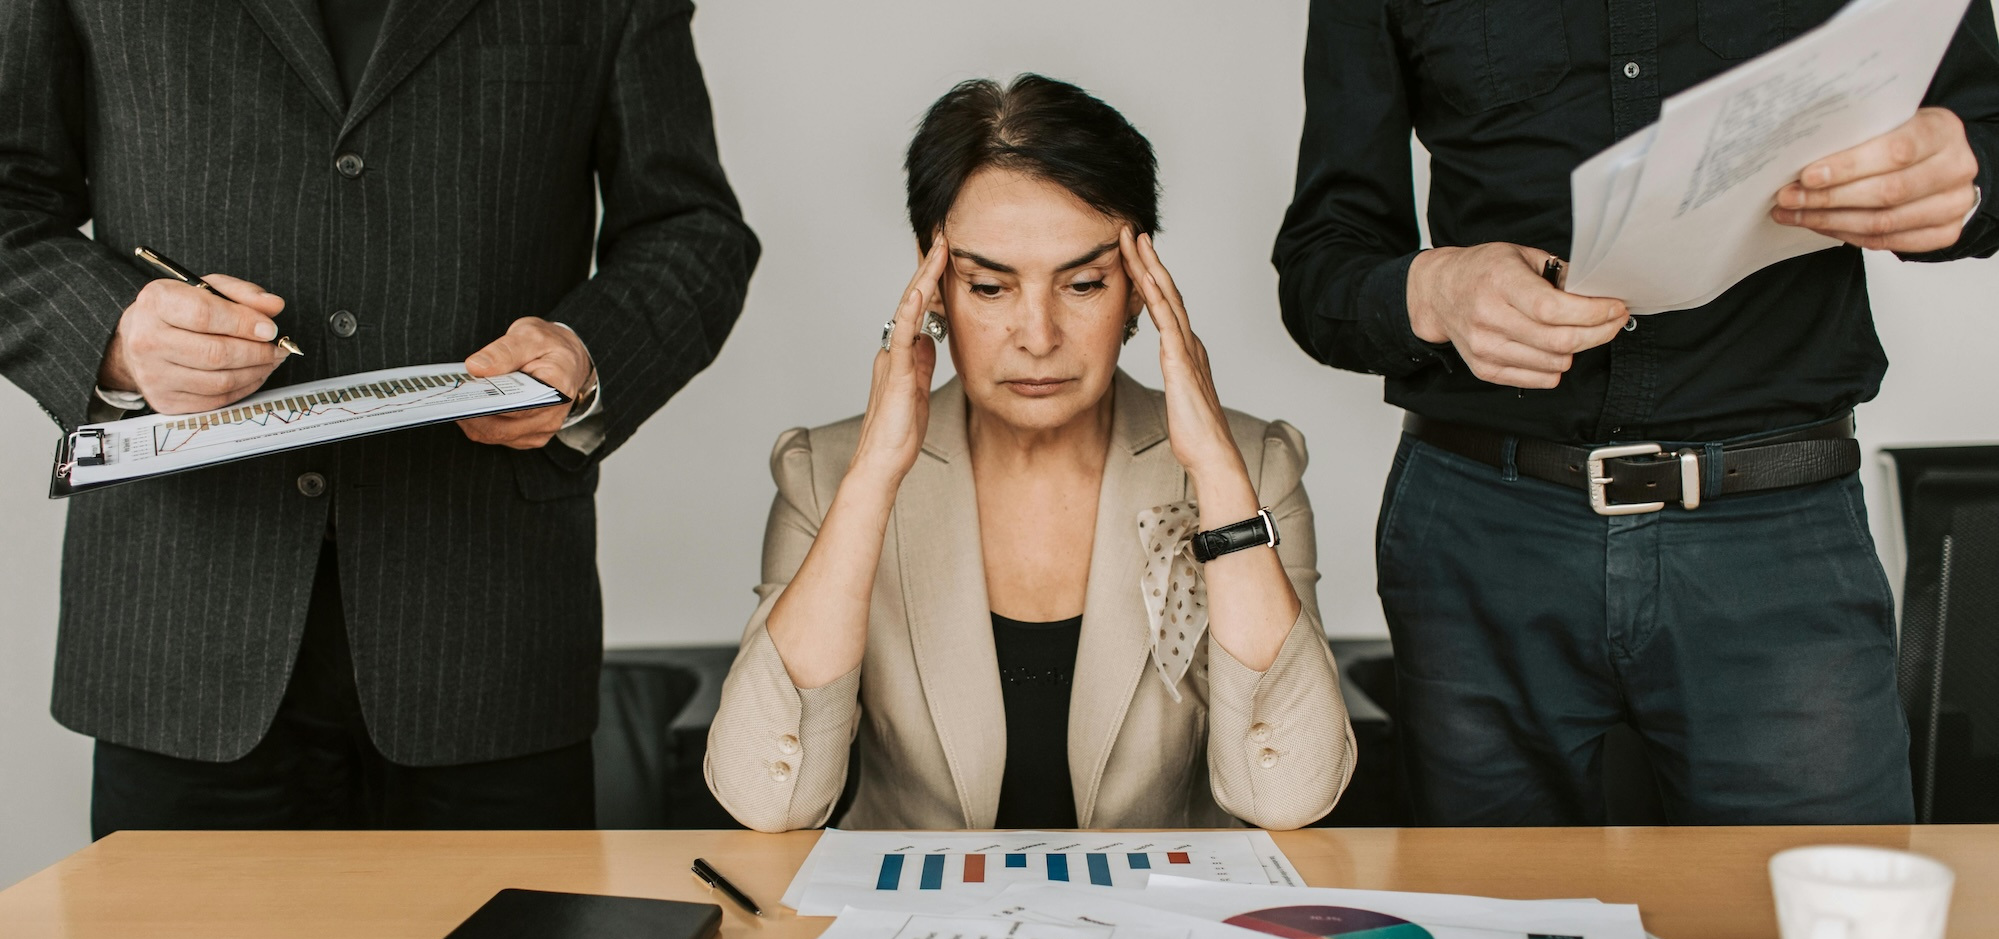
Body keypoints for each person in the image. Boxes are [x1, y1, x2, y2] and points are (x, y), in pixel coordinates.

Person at [0, 0, 758, 835]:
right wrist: (115, 337)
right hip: (180, 627)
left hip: (487, 639)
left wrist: (588, 354)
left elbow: (692, 231)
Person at [1274, 0, 1999, 826]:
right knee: (1493, 934)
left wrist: (1967, 177)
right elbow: (1319, 263)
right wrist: (1431, 290)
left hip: (1777, 543)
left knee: (1832, 933)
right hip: (1481, 539)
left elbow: (1987, 137)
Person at [706, 75, 1353, 832]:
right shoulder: (823, 473)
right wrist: (872, 481)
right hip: (916, 930)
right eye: (988, 287)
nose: (1038, 336)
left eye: (1083, 283)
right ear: (933, 282)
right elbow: (766, 800)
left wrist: (1213, 468)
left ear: (1141, 286)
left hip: (1159, 930)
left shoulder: (1254, 465)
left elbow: (1290, 798)